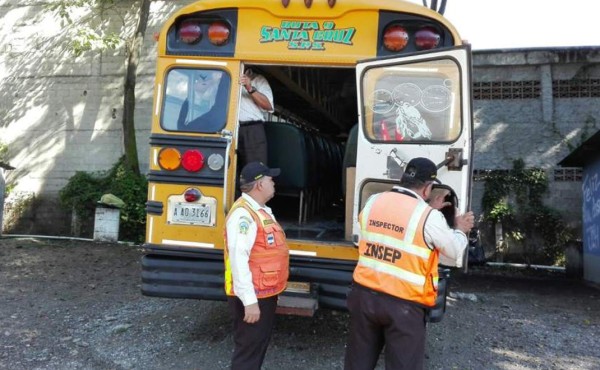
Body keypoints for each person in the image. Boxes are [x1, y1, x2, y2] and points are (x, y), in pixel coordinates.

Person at [344, 157, 475, 370]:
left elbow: (387, 226)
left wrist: (427, 208)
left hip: (364, 297)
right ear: (428, 188)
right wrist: (459, 229)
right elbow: (453, 251)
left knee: (357, 364)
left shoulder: (373, 201)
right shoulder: (429, 217)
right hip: (403, 305)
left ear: (403, 179)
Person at [224, 161, 289, 370]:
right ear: (259, 184)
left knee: (255, 347)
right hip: (253, 297)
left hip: (263, 294)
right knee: (248, 353)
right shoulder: (243, 216)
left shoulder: (259, 211)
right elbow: (238, 259)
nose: (274, 183)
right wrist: (249, 302)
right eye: (270, 179)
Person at [238, 68, 274, 166]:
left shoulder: (258, 80)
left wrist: (250, 88)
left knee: (256, 169)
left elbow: (268, 106)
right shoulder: (225, 76)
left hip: (252, 129)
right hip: (228, 128)